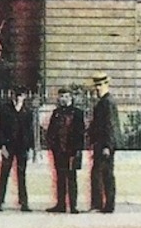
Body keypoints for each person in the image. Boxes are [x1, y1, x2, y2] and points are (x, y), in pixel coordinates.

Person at [45, 88, 85, 214]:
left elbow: (80, 133)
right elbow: (51, 131)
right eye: (61, 96)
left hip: (71, 150)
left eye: (66, 96)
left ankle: (73, 205)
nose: (64, 99)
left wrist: (78, 150)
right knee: (60, 177)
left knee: (72, 177)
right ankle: (60, 204)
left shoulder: (77, 113)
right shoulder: (56, 113)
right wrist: (52, 146)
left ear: (71, 98)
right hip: (59, 150)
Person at [0, 88, 34, 211]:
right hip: (8, 145)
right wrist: (2, 146)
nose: (18, 98)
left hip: (22, 146)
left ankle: (24, 202)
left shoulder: (27, 111)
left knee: (22, 174)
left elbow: (30, 130)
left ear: (24, 97)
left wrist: (30, 148)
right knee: (4, 173)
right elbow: (0, 128)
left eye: (21, 96)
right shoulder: (5, 109)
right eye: (16, 95)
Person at [86, 73, 118, 213]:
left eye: (100, 85)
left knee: (103, 174)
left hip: (104, 144)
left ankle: (104, 205)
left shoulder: (107, 102)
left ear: (106, 85)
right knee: (101, 174)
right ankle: (103, 204)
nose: (97, 88)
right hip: (101, 143)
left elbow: (110, 125)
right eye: (96, 86)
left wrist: (107, 146)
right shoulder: (103, 101)